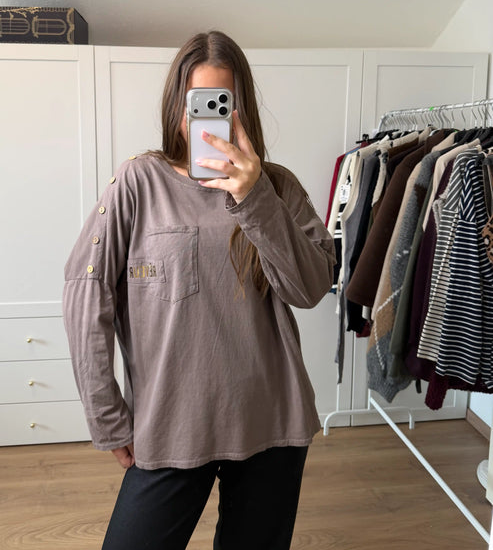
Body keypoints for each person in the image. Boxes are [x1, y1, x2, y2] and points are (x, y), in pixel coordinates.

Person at [62, 30, 335, 550]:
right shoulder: (139, 182)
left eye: (221, 102)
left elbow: (310, 288)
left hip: (271, 421)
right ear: (177, 107)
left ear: (241, 109)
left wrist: (254, 197)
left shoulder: (277, 187)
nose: (206, 118)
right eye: (196, 102)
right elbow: (85, 291)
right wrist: (107, 416)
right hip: (171, 426)